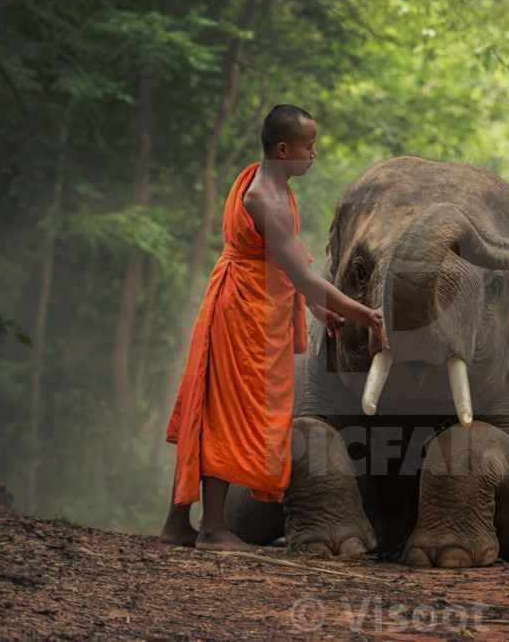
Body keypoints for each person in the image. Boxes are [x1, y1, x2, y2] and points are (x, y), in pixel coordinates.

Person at [159, 104, 385, 551]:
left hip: (252, 304)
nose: (313, 154)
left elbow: (285, 264)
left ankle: (176, 524)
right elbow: (302, 277)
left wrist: (317, 308)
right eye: (308, 146)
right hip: (243, 313)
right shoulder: (264, 199)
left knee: (210, 406)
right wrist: (365, 313)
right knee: (229, 414)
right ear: (284, 149)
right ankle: (213, 529)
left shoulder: (267, 180)